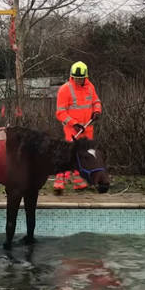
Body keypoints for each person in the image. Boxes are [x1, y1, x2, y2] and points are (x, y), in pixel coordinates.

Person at [54, 61, 102, 193]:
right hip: (72, 129)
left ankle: (78, 181)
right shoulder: (65, 89)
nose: (78, 80)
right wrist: (73, 123)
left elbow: (96, 101)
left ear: (85, 77)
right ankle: (59, 181)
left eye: (81, 78)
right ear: (72, 76)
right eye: (76, 78)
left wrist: (97, 111)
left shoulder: (90, 87)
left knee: (84, 156)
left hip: (88, 128)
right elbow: (60, 112)